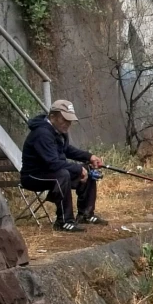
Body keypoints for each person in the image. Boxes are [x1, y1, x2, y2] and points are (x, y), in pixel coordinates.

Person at [20, 99, 104, 232]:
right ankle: (64, 221)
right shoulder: (42, 134)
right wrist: (78, 169)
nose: (68, 124)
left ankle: (85, 214)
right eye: (64, 119)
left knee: (88, 170)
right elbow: (53, 163)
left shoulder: (57, 131)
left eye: (70, 120)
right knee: (62, 174)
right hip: (33, 176)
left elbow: (67, 150)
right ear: (52, 116)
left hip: (49, 171)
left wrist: (89, 157)